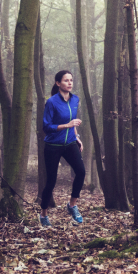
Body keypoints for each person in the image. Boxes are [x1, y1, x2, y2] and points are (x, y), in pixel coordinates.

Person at [40, 70, 86, 226]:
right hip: (53, 145)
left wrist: (77, 137)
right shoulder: (51, 102)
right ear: (58, 83)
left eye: (71, 80)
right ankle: (43, 215)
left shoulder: (75, 99)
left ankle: (72, 206)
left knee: (81, 172)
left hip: (70, 143)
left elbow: (73, 121)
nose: (70, 83)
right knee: (51, 181)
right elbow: (46, 127)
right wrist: (67, 125)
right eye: (66, 80)